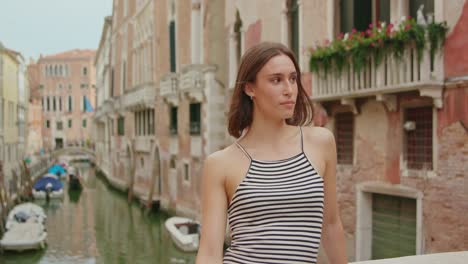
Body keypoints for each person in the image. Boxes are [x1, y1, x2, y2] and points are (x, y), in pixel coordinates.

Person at [196, 42, 347, 264]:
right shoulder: (220, 163)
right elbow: (210, 252)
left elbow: (331, 225)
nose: (289, 89)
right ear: (250, 88)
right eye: (276, 80)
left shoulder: (321, 142)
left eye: (293, 78)